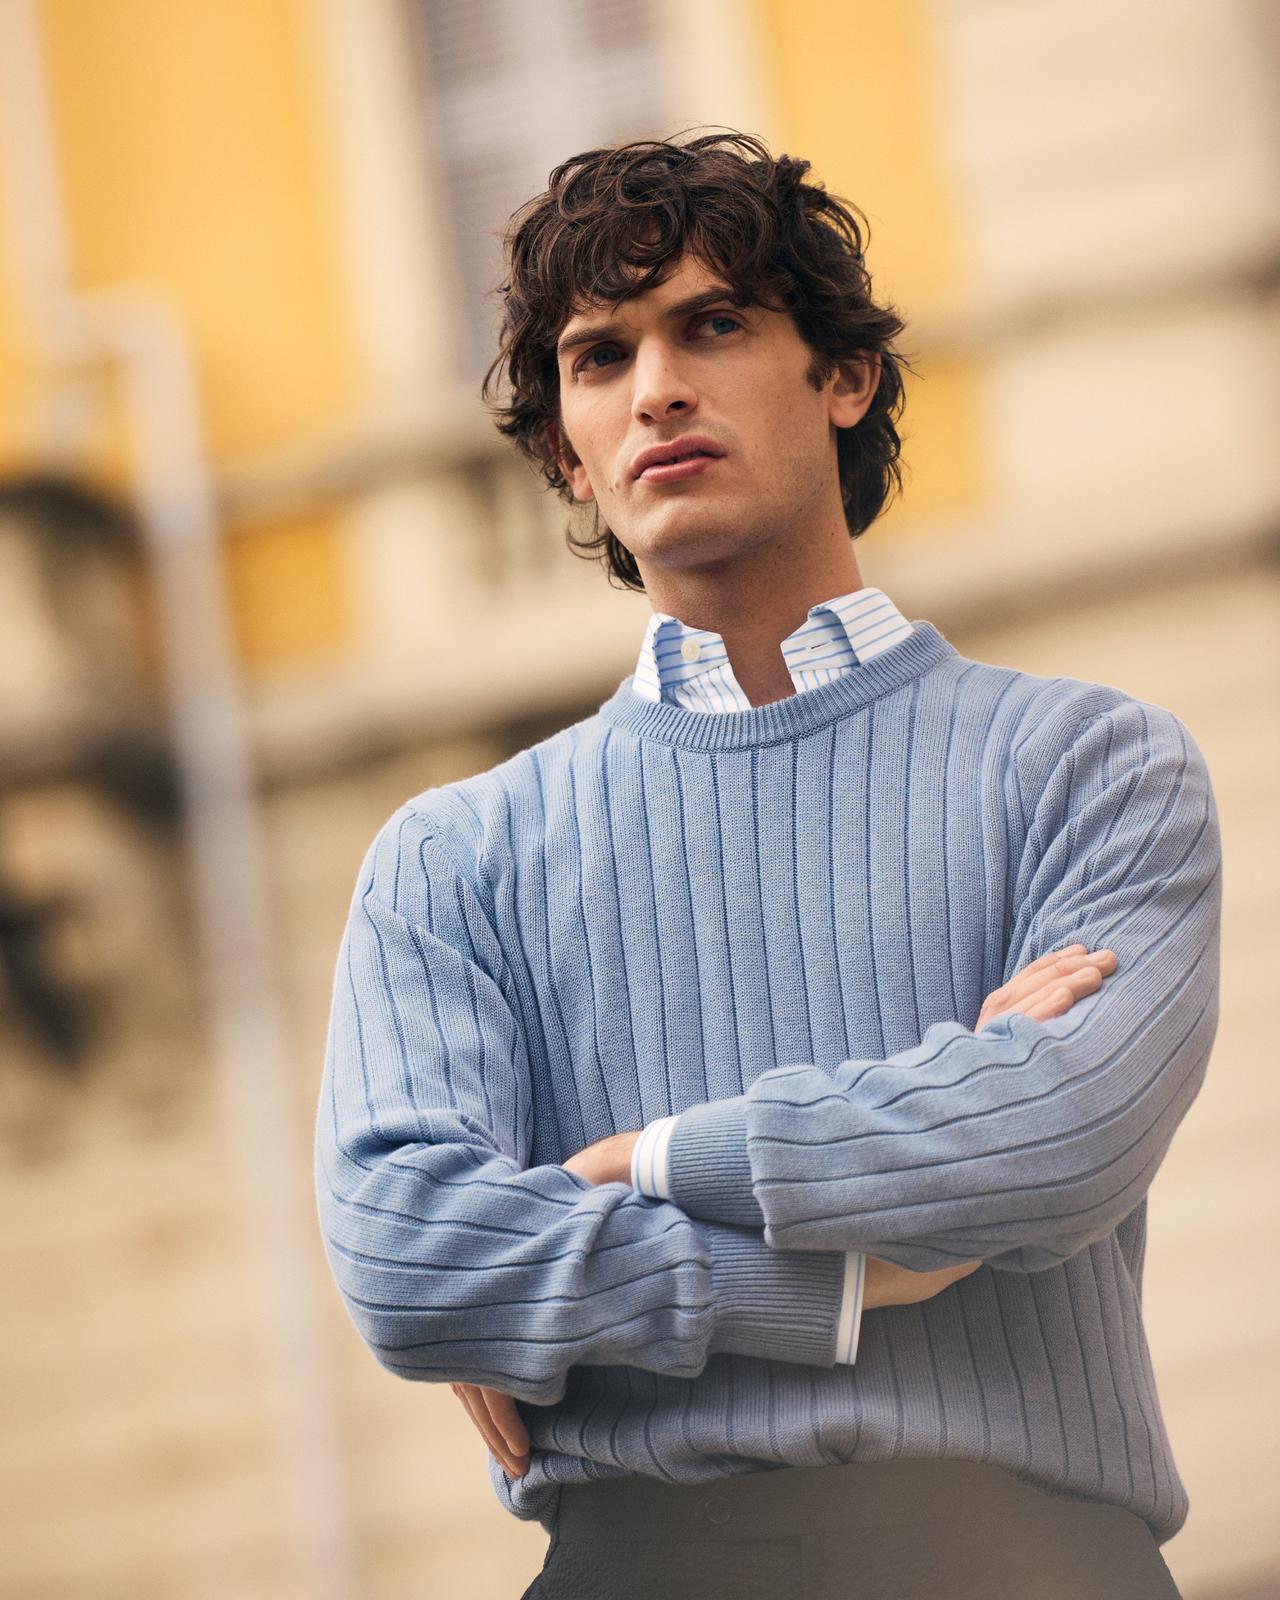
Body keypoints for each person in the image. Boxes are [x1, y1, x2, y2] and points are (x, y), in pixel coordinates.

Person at [314, 131, 1221, 1598]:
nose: (658, 386)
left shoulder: (1092, 768)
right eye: (599, 359)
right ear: (566, 446)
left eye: (715, 324)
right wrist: (841, 1274)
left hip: (1024, 1562)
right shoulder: (454, 862)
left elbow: (1053, 1141)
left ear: (844, 376)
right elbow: (412, 1259)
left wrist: (632, 1168)